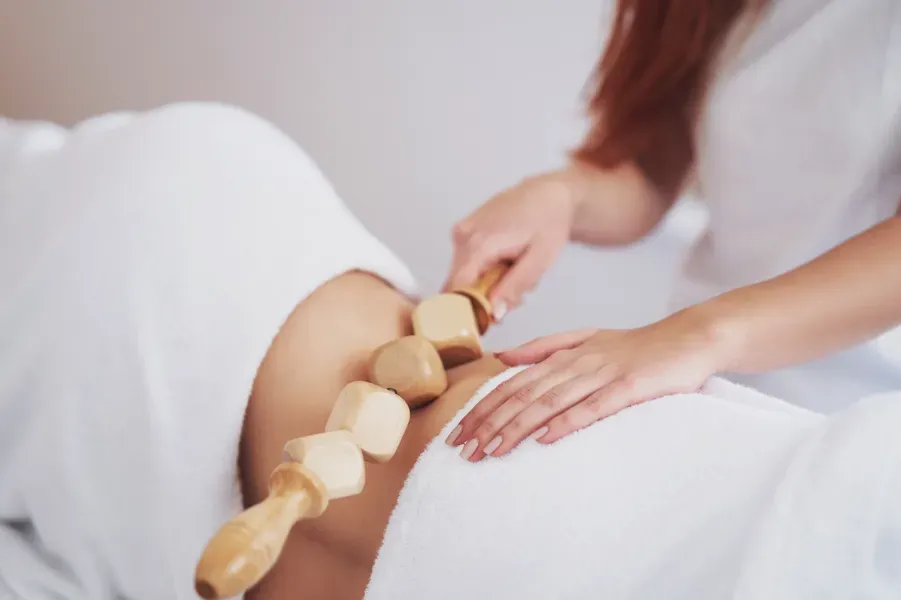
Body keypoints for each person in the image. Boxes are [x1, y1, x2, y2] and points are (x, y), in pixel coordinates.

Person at [1, 103, 898, 600]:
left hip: (779, 395)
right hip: (137, 283)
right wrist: (569, 193)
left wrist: (709, 333)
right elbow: (666, 138)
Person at [443, 0, 901, 462]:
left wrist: (697, 336)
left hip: (857, 417)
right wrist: (565, 194)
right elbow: (651, 171)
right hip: (698, 383)